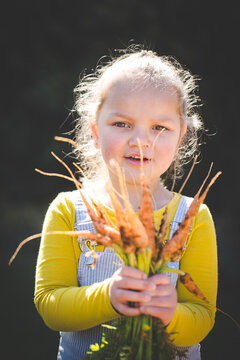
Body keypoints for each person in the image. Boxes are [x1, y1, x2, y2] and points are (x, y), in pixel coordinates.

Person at [34, 47, 218, 360]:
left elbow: (202, 315)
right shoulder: (69, 210)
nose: (141, 140)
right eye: (122, 124)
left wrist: (170, 313)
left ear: (181, 137)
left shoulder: (193, 216)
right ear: (95, 131)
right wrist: (107, 296)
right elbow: (49, 303)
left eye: (159, 127)